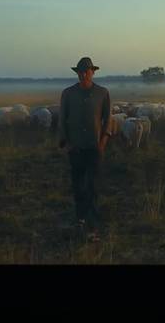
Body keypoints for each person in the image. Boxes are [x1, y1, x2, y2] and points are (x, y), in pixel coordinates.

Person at [58, 57, 111, 242]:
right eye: (80, 72)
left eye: (86, 71)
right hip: (76, 148)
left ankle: (93, 224)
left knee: (93, 186)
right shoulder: (68, 93)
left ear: (93, 72)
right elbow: (62, 119)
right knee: (78, 185)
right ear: (77, 73)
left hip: (94, 148)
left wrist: (102, 144)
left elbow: (108, 120)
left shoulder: (102, 93)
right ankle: (80, 218)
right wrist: (67, 143)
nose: (83, 74)